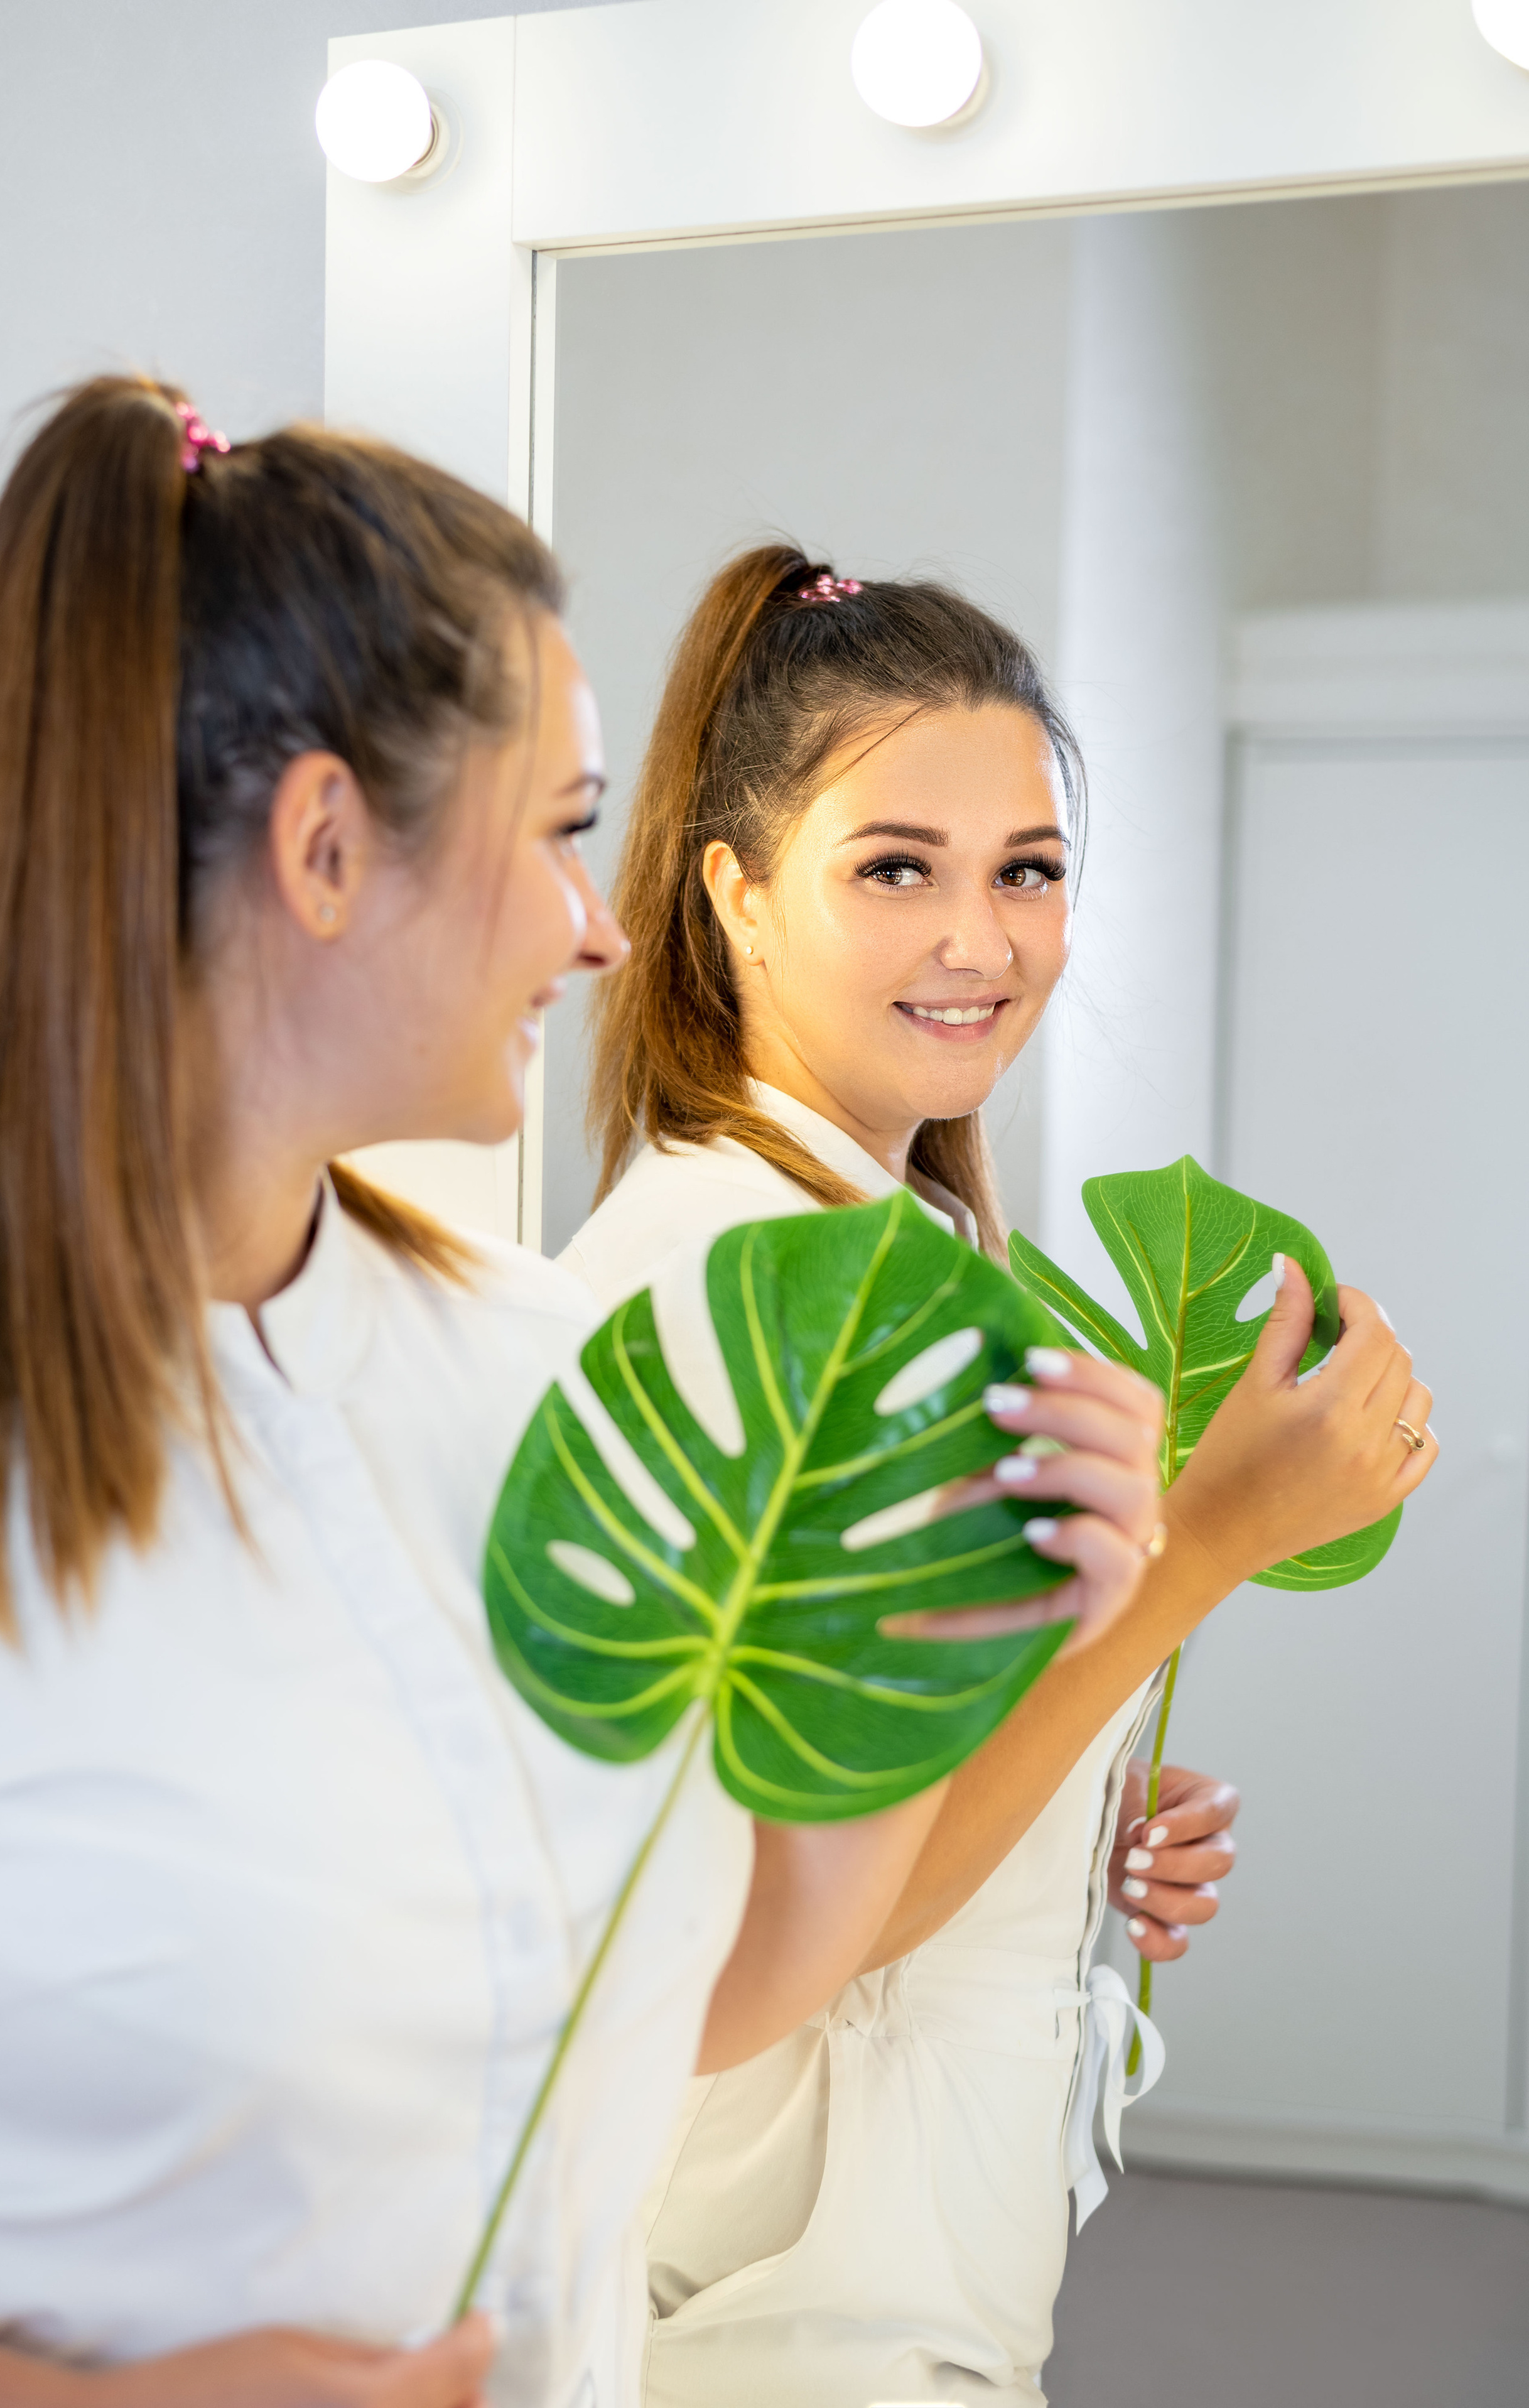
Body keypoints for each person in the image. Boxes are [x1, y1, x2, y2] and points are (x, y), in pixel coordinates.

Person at [0, 389, 1164, 2408]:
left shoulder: (521, 1373)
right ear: (329, 850)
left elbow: (685, 1983)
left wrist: (975, 1621)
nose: (602, 926)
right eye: (562, 830)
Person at [562, 546, 1437, 2406]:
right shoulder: (760, 1285)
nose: (981, 939)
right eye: (898, 869)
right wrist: (1207, 1545)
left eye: (1026, 871)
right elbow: (785, 1919)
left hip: (886, 2278)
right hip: (775, 2326)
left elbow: (862, 1779)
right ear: (734, 894)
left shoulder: (898, 1253)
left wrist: (1073, 1803)